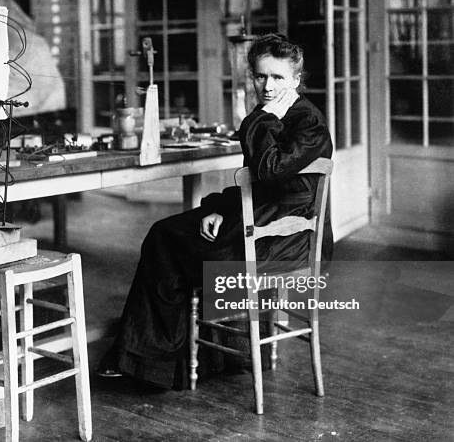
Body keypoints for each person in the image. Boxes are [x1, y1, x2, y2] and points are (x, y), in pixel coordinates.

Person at [97, 33, 333, 389]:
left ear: (296, 80)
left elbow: (268, 170)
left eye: (278, 77)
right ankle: (195, 359)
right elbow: (260, 183)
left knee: (165, 239)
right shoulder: (276, 114)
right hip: (266, 231)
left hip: (286, 244)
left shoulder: (305, 121)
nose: (266, 86)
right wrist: (221, 207)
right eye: (260, 76)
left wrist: (262, 118)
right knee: (177, 235)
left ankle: (152, 363)